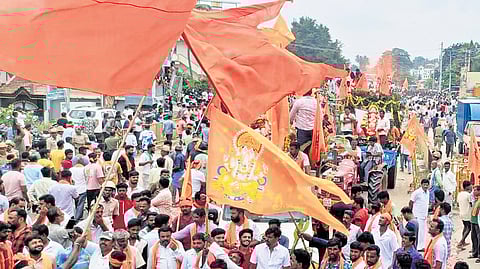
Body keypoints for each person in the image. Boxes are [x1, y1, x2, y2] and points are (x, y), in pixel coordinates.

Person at [409, 178, 430, 251]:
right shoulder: (417, 192)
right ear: (421, 185)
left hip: (424, 215)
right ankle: (418, 247)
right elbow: (411, 202)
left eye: (427, 185)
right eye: (424, 185)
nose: (425, 186)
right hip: (417, 214)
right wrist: (410, 212)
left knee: (423, 231)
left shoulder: (428, 192)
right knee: (419, 231)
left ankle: (421, 246)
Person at [457, 181, 473, 249]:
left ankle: (463, 241)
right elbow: (471, 204)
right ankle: (461, 241)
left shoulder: (460, 194)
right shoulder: (468, 195)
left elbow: (458, 203)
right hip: (468, 213)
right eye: (470, 185)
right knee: (469, 228)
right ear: (467, 187)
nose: (471, 186)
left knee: (465, 227)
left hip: (461, 213)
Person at [470, 185, 480, 262]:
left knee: (478, 238)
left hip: (477, 221)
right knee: (474, 238)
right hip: (473, 221)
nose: (474, 192)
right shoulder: (475, 199)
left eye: (476, 190)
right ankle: (475, 252)